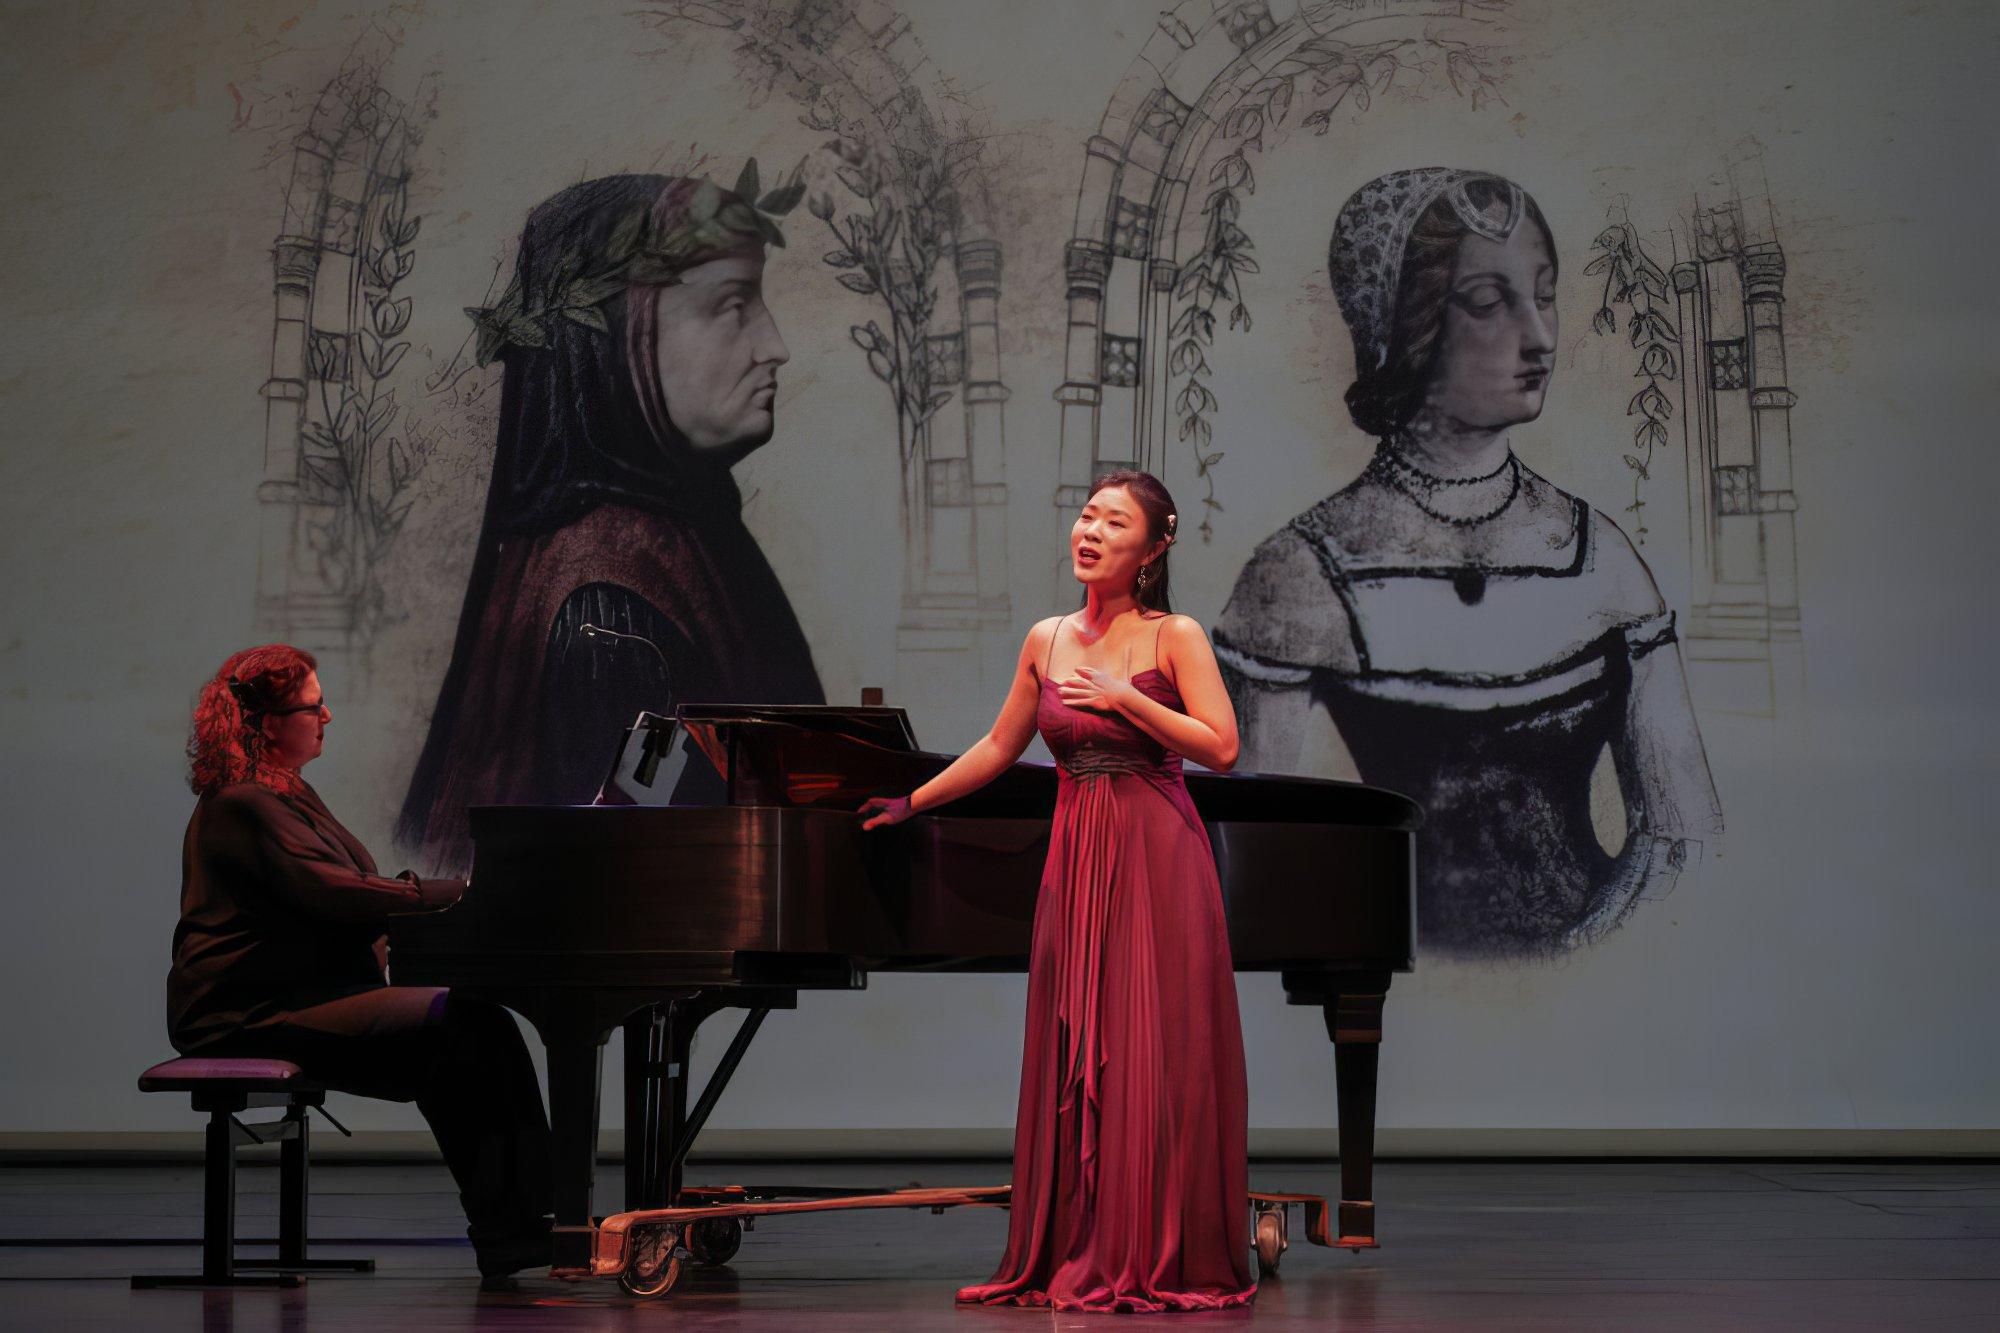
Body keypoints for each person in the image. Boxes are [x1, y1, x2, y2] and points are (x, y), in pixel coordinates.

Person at [1214, 167, 1722, 961]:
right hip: (1388, 970)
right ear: (1404, 328)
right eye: (1490, 303)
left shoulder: (1602, 557)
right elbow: (1247, 853)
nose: (1541, 337)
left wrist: (1590, 954)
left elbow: (1680, 842)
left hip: (1591, 979)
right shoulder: (1304, 571)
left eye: (1545, 295)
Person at [862, 471, 1256, 1312]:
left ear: (1152, 548)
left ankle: (1156, 1249)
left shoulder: (1173, 635)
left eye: (1114, 522)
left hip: (1157, 853)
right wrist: (913, 801)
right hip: (1077, 856)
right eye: (1085, 514)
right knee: (1079, 1042)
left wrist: (1125, 699)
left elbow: (1221, 745)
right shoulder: (1046, 637)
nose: (1091, 531)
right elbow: (1001, 745)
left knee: (1152, 1046)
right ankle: (1078, 1242)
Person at [398, 168, 824, 871]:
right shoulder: (611, 608)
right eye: (732, 305)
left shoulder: (687, 542)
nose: (773, 344)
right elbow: (636, 876)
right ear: (622, 333)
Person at [171, 644, 552, 1279]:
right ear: (268, 723)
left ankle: (527, 1224)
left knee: (475, 1026)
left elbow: (347, 885)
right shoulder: (243, 803)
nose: (328, 717)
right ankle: (517, 1229)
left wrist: (433, 898)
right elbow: (333, 891)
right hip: (247, 1011)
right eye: (313, 708)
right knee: (466, 1026)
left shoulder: (285, 792)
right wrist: (458, 891)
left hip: (298, 996)